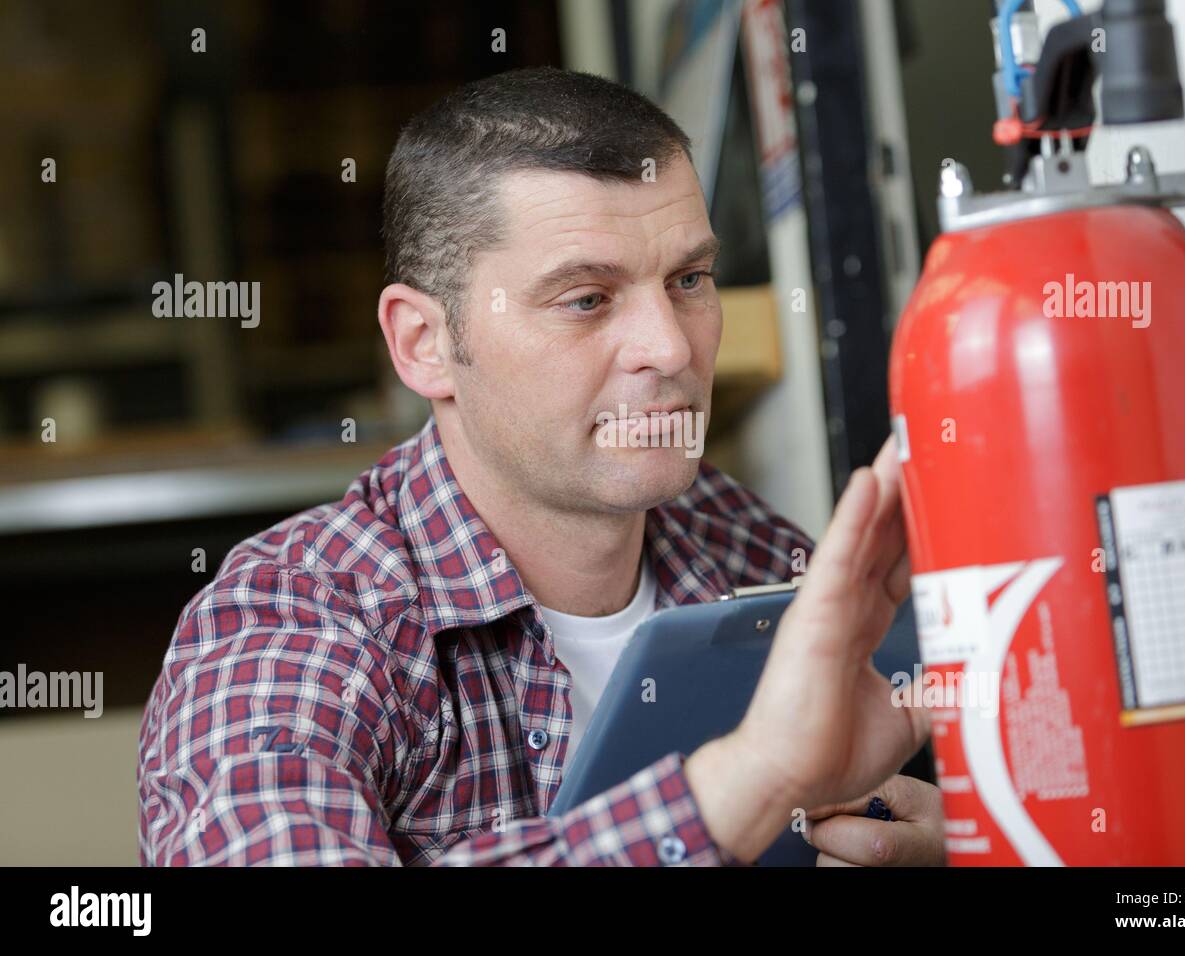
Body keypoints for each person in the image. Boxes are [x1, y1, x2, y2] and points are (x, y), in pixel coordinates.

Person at [137, 66, 943, 866]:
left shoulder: (759, 553)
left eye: (689, 279)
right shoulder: (293, 617)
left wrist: (960, 842)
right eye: (586, 298)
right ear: (425, 344)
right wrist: (743, 787)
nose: (670, 347)